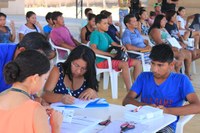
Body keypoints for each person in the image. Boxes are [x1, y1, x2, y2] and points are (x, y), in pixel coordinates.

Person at [122, 44, 200, 133]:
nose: (154, 69)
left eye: (160, 65)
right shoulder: (144, 77)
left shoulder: (181, 80)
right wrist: (145, 107)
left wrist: (167, 111)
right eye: (152, 63)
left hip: (166, 126)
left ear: (171, 65)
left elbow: (197, 107)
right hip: (141, 121)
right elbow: (126, 100)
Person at [0, 50, 63, 133]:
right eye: (44, 78)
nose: (44, 81)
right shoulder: (36, 110)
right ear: (35, 78)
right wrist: (56, 126)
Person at [90, 14, 141, 91]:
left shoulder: (105, 34)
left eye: (107, 23)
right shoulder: (95, 34)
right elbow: (93, 49)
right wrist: (109, 54)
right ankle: (130, 90)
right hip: (101, 61)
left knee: (137, 62)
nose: (107, 25)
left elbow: (115, 44)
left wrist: (121, 47)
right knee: (124, 64)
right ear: (98, 24)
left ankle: (138, 86)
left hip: (110, 59)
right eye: (105, 23)